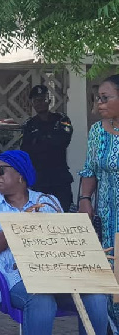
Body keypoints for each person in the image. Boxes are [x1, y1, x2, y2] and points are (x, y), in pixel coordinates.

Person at [0, 150, 108, 335]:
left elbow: (63, 245)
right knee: (41, 298)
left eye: (0, 171)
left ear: (20, 173)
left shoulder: (48, 202)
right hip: (9, 279)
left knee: (96, 295)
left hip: (54, 277)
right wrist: (17, 227)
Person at [79, 74, 119, 332]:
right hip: (104, 219)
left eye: (105, 98)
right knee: (105, 281)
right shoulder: (97, 131)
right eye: (98, 98)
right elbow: (89, 170)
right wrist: (84, 201)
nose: (99, 104)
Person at [20, 85, 73, 212]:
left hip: (59, 177)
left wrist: (41, 141)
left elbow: (63, 141)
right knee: (40, 213)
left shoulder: (61, 119)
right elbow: (26, 150)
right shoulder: (29, 125)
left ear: (49, 101)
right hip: (39, 179)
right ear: (32, 104)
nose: (40, 103)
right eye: (36, 101)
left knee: (63, 212)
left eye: (43, 99)